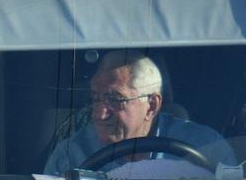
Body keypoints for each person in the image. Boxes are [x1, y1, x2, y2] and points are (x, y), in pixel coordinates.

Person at [42, 52, 229, 173]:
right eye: (95, 98)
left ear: (151, 105)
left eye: (115, 99)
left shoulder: (207, 148)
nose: (99, 115)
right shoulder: (71, 155)